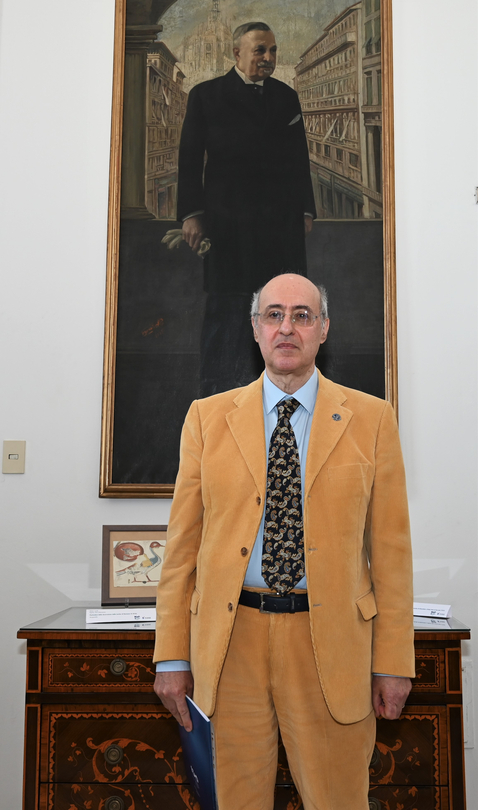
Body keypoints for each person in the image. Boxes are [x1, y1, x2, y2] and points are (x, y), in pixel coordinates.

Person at [153, 273, 415, 810]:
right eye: (273, 315)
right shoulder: (206, 419)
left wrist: (393, 661)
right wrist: (170, 657)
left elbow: (391, 553)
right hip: (230, 646)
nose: (287, 328)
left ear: (324, 328)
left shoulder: (372, 419)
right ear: (255, 329)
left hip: (331, 646)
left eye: (302, 315)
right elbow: (181, 552)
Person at [177, 22, 317, 395]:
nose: (268, 57)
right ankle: (215, 394)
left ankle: (279, 393)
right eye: (260, 50)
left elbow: (299, 158)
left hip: (280, 224)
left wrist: (306, 210)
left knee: (281, 308)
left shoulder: (286, 97)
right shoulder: (206, 95)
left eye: (272, 50)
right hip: (228, 223)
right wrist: (191, 214)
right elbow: (189, 160)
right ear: (237, 53)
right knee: (226, 310)